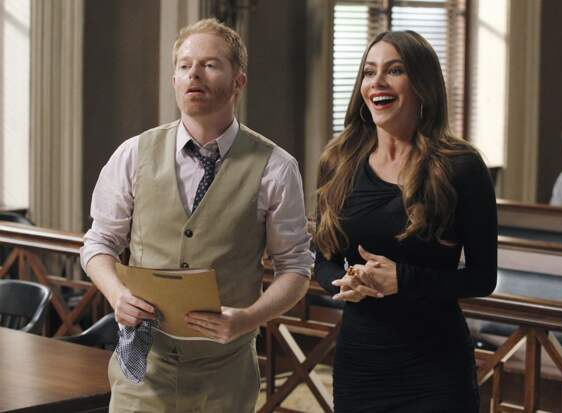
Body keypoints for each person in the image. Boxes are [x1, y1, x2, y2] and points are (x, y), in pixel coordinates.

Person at [80, 18, 312, 413]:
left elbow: (296, 268)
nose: (194, 74)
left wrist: (248, 318)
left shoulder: (275, 167)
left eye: (210, 64)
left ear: (238, 81)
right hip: (142, 369)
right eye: (185, 65)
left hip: (225, 376)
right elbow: (99, 242)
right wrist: (117, 294)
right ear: (174, 79)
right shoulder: (133, 154)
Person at [314, 30, 497, 412]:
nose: (377, 82)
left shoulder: (461, 166)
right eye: (369, 72)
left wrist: (404, 279)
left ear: (422, 85)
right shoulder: (338, 161)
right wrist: (344, 282)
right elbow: (323, 258)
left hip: (436, 369)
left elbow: (483, 277)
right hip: (361, 366)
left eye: (394, 70)